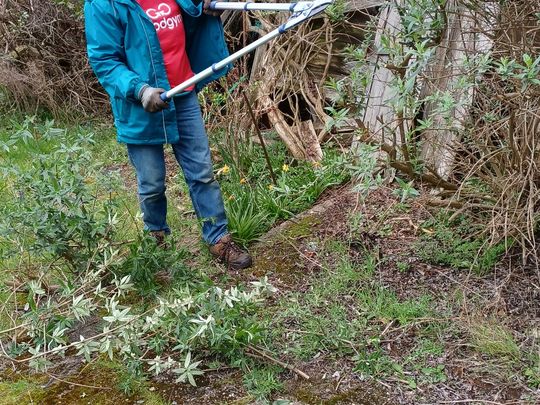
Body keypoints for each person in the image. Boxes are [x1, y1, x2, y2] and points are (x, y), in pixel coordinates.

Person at [84, 0, 253, 270]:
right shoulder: (104, 5)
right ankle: (157, 240)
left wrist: (205, 8)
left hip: (183, 94)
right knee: (151, 183)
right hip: (139, 105)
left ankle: (218, 237)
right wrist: (139, 90)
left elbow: (191, 14)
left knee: (202, 172)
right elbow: (104, 60)